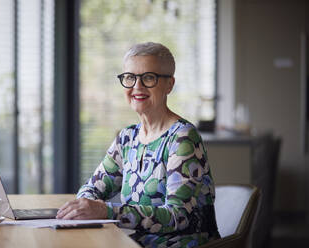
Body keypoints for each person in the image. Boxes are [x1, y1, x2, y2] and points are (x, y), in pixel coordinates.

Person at [57, 42, 220, 247]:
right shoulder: (127, 137)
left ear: (169, 84)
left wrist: (107, 211)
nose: (137, 86)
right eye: (130, 77)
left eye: (148, 78)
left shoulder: (182, 137)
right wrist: (85, 206)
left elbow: (179, 216)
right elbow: (91, 189)